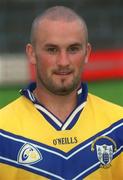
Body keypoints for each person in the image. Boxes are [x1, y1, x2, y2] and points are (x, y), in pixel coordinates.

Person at [0, 6, 123, 180]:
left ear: (87, 53)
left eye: (73, 49)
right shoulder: (3, 131)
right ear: (32, 53)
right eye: (52, 50)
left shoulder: (118, 125)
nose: (63, 61)